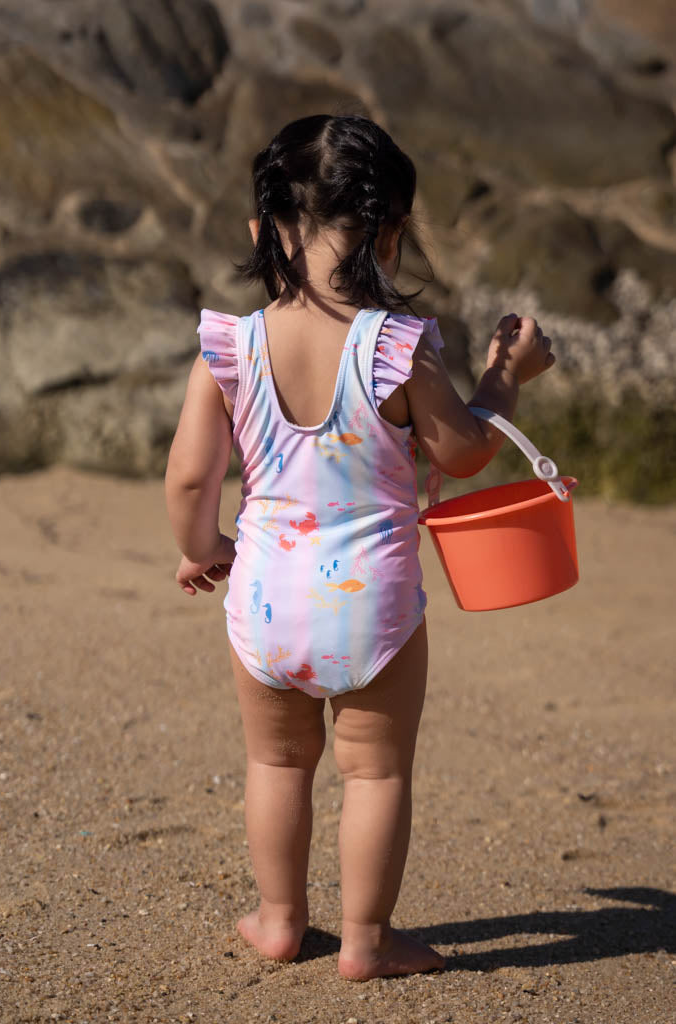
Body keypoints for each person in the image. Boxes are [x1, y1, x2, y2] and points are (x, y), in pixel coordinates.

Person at [165, 114, 554, 981]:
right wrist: (505, 376)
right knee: (374, 774)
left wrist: (204, 546)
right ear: (389, 232)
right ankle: (367, 940)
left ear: (261, 230)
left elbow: (190, 480)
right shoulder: (396, 348)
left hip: (265, 601)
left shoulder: (230, 348)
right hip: (371, 606)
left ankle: (277, 919)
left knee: (275, 762)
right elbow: (463, 453)